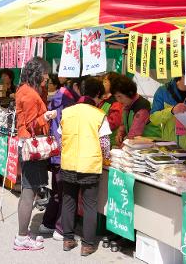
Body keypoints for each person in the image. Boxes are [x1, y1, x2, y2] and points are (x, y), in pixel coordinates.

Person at [60, 77, 111, 256]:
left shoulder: (67, 112)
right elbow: (105, 144)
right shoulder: (99, 115)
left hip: (68, 163)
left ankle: (68, 239)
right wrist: (107, 159)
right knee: (90, 205)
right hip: (90, 165)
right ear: (97, 95)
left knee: (69, 201)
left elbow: (61, 137)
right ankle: (88, 245)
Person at [14, 57, 57, 250]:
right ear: (37, 73)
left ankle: (23, 235)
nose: (47, 78)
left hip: (25, 144)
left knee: (28, 190)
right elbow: (31, 124)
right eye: (45, 74)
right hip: (31, 146)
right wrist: (46, 116)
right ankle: (22, 237)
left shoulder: (23, 89)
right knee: (28, 192)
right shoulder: (30, 94)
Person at [39, 76, 81, 241]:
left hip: (56, 152)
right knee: (66, 193)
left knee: (57, 191)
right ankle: (61, 229)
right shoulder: (68, 101)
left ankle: (48, 224)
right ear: (76, 85)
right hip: (65, 152)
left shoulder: (59, 97)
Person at [110, 75, 161, 146]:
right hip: (138, 145)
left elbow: (134, 134)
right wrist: (120, 133)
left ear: (129, 92)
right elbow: (123, 124)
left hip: (150, 146)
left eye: (120, 96)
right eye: (116, 97)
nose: (118, 100)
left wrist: (122, 148)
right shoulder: (127, 105)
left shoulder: (142, 107)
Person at [99, 72, 123, 147]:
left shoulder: (116, 102)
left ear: (113, 84)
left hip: (111, 144)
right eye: (103, 81)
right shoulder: (104, 100)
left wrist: (96, 124)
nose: (103, 83)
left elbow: (114, 123)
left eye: (105, 81)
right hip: (102, 141)